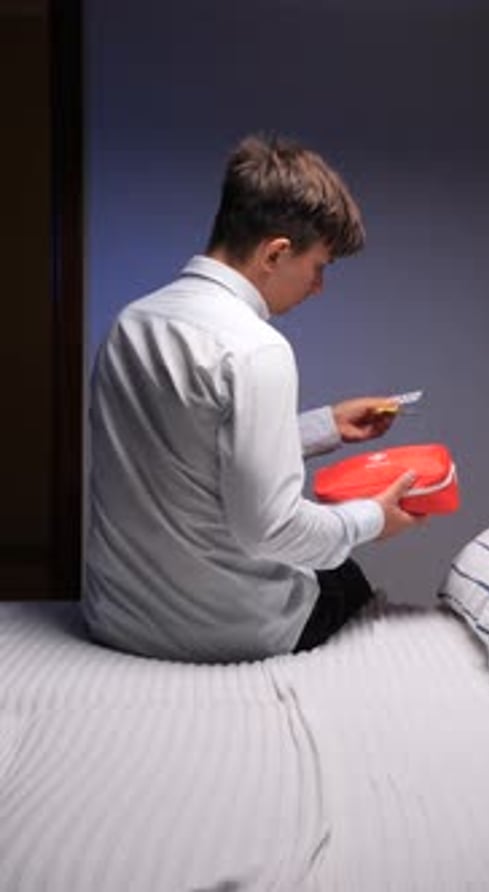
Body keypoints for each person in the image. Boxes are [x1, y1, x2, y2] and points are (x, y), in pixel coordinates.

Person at [83, 134, 423, 663]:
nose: (318, 288)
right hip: (224, 633)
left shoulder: (132, 323)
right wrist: (373, 519)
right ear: (276, 252)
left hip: (118, 619)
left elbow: (186, 450)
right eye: (319, 267)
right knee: (342, 572)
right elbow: (273, 529)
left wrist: (325, 426)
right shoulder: (256, 348)